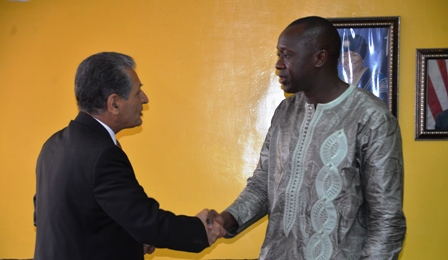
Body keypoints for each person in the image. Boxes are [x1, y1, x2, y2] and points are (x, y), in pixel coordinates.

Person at [208, 16, 406, 259]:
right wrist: (225, 220)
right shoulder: (285, 112)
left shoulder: (370, 118)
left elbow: (386, 220)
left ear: (319, 58)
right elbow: (263, 185)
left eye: (287, 55)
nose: (278, 64)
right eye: (278, 55)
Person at [33, 52, 226, 260]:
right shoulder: (103, 155)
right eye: (138, 92)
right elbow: (147, 222)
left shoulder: (53, 144)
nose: (145, 99)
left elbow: (53, 219)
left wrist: (130, 240)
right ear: (114, 103)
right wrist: (199, 230)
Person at [339, 33, 389, 104]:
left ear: (363, 57)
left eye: (354, 55)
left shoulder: (376, 79)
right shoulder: (338, 79)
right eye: (344, 56)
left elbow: (381, 107)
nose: (349, 59)